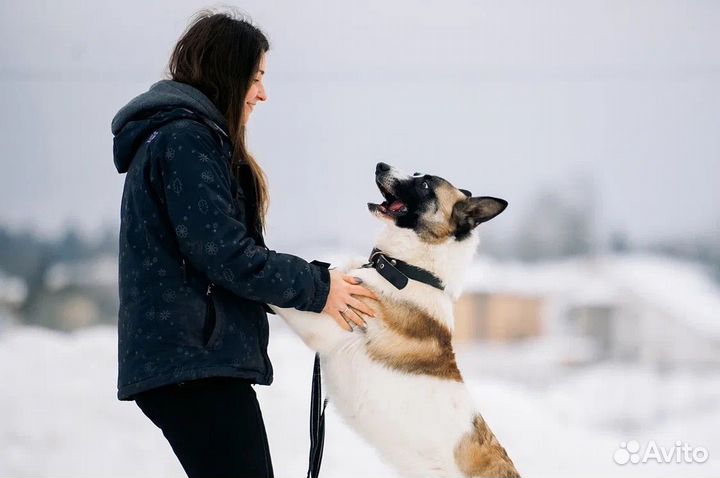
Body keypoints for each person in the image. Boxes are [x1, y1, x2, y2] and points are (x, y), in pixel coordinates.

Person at [110, 9, 377, 478]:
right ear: (227, 73)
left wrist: (320, 287)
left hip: (192, 363)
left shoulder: (183, 138)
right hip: (194, 367)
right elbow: (225, 254)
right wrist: (319, 287)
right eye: (255, 78)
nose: (263, 93)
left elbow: (224, 255)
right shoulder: (185, 141)